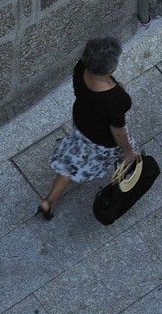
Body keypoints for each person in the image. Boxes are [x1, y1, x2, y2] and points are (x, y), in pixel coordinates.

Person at [36, 35, 137, 220]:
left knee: (71, 163)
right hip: (102, 140)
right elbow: (119, 132)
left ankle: (49, 201)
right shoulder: (115, 100)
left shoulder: (81, 66)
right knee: (125, 152)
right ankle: (126, 171)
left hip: (82, 124)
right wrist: (128, 152)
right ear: (110, 67)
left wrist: (116, 88)